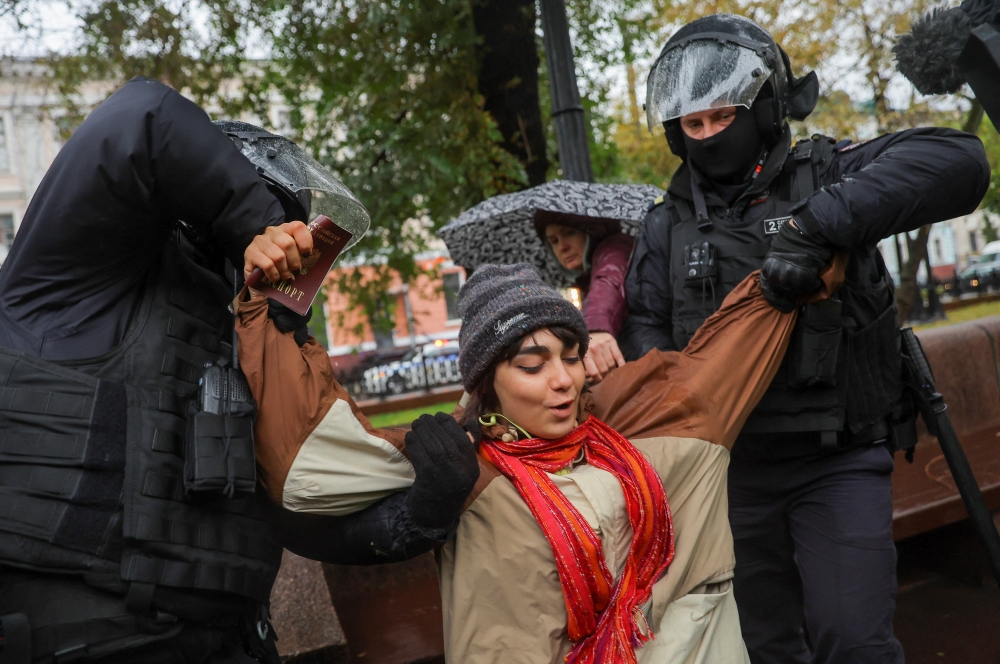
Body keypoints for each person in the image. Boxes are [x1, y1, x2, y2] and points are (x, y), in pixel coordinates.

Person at [0, 78, 478, 663]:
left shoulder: (248, 347)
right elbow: (140, 116)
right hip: (84, 638)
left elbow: (303, 519)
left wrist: (425, 508)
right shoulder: (73, 279)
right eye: (283, 232)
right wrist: (252, 220)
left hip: (230, 641)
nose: (289, 263)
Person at [623, 14, 991, 664]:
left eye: (722, 115)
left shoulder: (825, 173)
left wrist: (817, 227)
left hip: (837, 462)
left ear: (762, 109)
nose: (709, 135)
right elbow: (648, 352)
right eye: (693, 124)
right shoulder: (665, 228)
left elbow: (958, 160)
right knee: (764, 649)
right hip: (729, 479)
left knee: (853, 642)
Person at [436, 259, 843, 663]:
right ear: (485, 385)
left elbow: (724, 359)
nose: (563, 380)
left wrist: (791, 265)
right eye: (532, 365)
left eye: (573, 357)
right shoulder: (457, 471)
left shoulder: (645, 429)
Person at [536, 211, 633, 383]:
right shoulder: (585, 278)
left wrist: (596, 329)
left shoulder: (615, 248)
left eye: (569, 233)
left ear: (591, 232)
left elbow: (609, 280)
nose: (562, 247)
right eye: (553, 241)